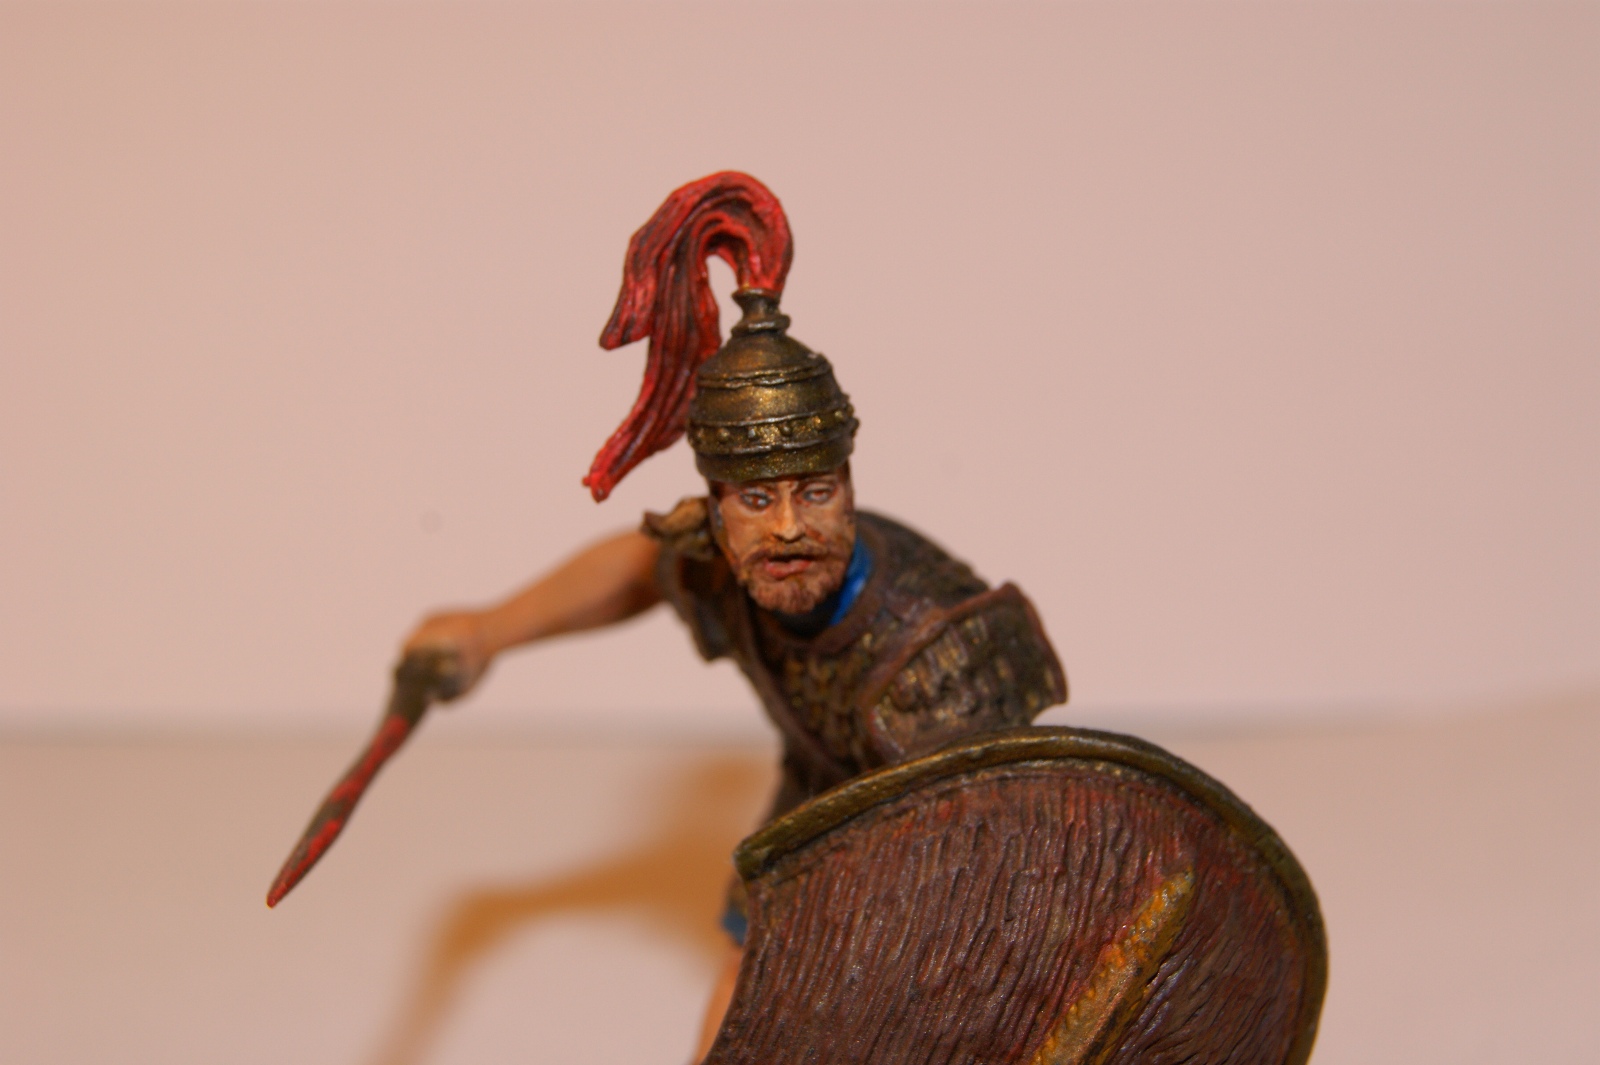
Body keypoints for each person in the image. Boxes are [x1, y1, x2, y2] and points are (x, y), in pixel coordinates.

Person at [400, 173, 1068, 1059]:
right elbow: (636, 566)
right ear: (716, 511)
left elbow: (1001, 836)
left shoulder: (933, 644)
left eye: (815, 492)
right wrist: (489, 629)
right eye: (757, 498)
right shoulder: (723, 563)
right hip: (820, 793)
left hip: (951, 848)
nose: (789, 526)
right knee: (748, 960)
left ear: (849, 488)